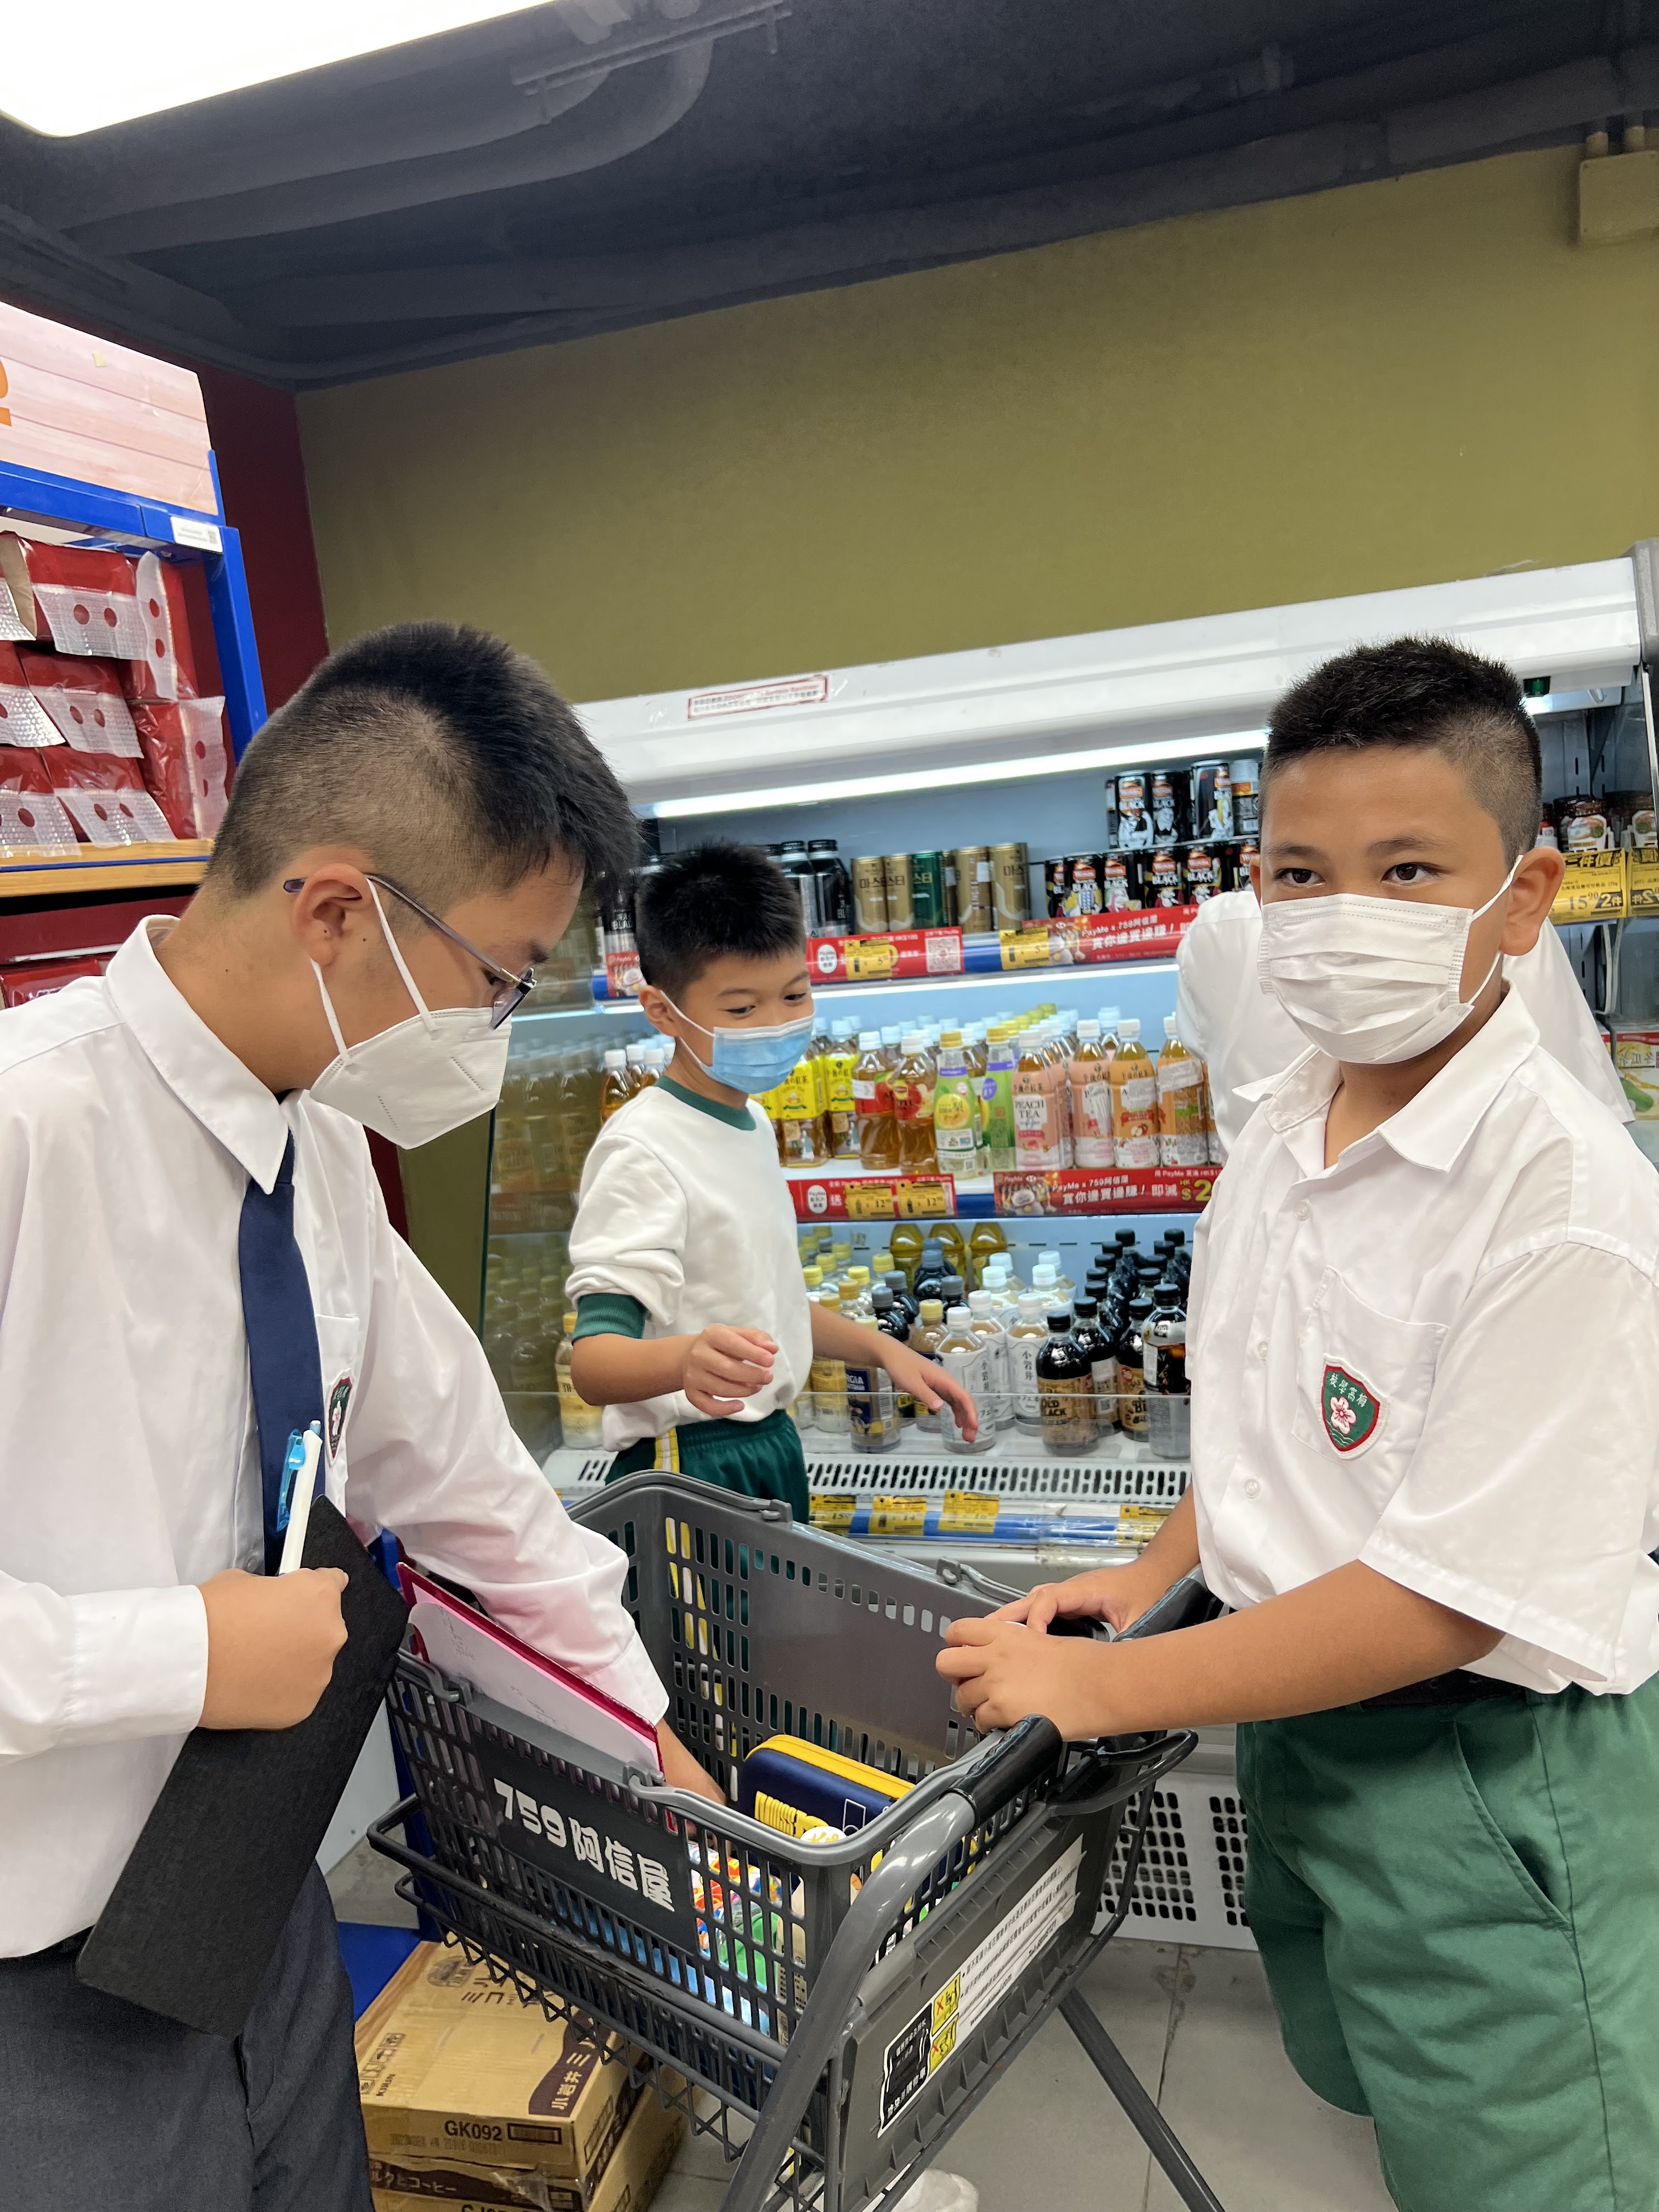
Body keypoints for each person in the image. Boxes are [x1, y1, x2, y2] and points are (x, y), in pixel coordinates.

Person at [0, 622, 721, 2212]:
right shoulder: (27, 1130)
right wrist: (182, 1652)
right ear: (336, 911)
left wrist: (647, 1749)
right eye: (498, 977)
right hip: (36, 1983)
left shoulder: (317, 1156)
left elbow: (473, 1489)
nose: (500, 1025)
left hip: (249, 1905)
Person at [938, 637, 1659, 2212]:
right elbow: (1270, 1423)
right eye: (1300, 874)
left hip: (1486, 1766)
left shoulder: (1566, 1202)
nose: (1344, 916)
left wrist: (1104, 1684)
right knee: (1389, 2103)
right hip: (1301, 1735)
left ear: (1522, 898)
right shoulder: (1282, 1129)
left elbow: (1446, 1603)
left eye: (1408, 871)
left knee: (1546, 2169)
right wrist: (1151, 1574)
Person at [566, 842, 975, 1512]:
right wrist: (684, 1359)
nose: (778, 1024)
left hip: (769, 1444)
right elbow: (593, 1362)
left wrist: (882, 1351)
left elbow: (767, 1302)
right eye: (741, 1010)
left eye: (794, 995)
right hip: (689, 1463)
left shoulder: (751, 1121)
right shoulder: (643, 1150)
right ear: (662, 1011)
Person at [1177, 882, 1632, 1155]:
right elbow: (1578, 1100)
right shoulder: (1484, 912)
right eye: (1301, 875)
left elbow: (1576, 1128)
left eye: (1406, 871)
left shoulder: (1219, 930)